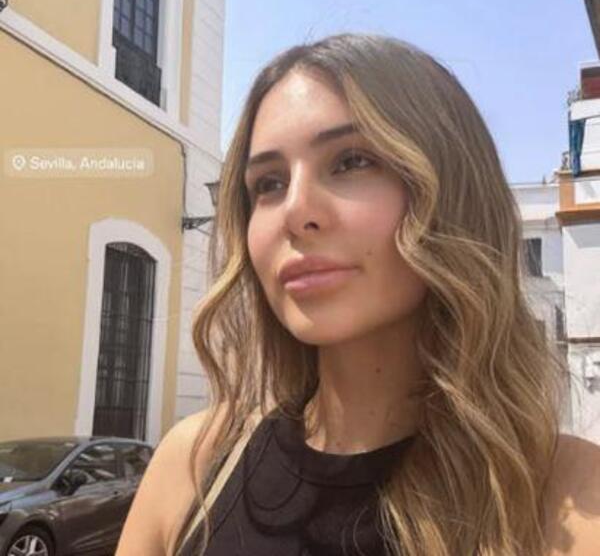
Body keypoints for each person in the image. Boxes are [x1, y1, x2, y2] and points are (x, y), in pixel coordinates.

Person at [116, 34, 600, 556]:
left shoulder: (573, 498)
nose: (295, 211)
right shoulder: (193, 467)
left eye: (351, 161)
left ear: (452, 193)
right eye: (269, 183)